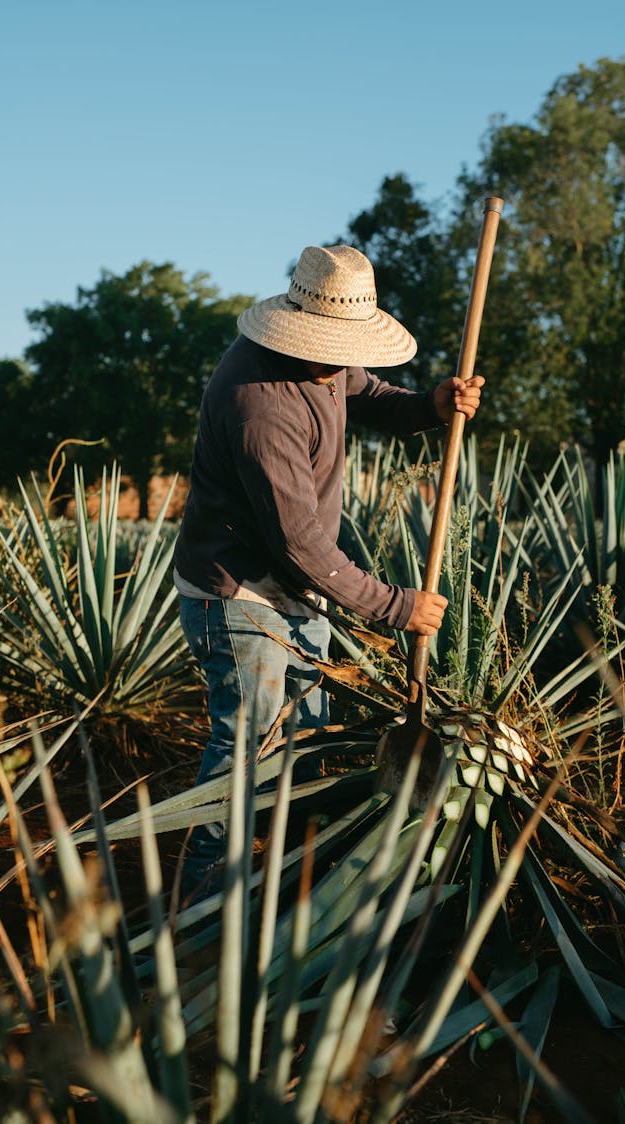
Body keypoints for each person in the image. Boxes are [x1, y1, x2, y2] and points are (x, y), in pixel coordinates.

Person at [173, 243, 483, 893]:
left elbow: (370, 396)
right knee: (248, 748)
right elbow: (302, 545)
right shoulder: (260, 405)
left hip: (297, 592)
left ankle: (287, 880)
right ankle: (202, 901)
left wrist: (431, 404)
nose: (348, 361)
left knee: (304, 741)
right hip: (239, 595)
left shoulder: (327, 361)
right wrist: (398, 608)